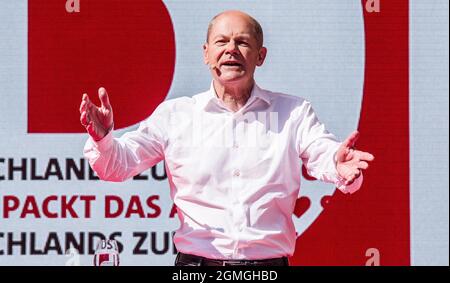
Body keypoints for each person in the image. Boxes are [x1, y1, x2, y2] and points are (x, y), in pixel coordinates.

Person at [80, 10, 374, 266]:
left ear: (261, 55)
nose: (231, 49)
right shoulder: (176, 115)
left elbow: (325, 155)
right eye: (221, 42)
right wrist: (104, 139)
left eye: (242, 42)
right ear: (206, 53)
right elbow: (117, 166)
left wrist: (340, 165)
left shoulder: (293, 113)